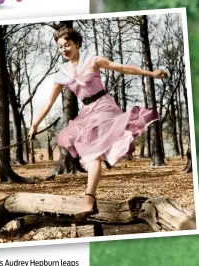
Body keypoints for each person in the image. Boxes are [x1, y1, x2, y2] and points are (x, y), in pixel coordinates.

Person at [28, 26, 167, 220]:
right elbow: (49, 103)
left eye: (67, 45)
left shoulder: (93, 61)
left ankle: (88, 198)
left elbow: (123, 68)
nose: (64, 50)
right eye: (60, 47)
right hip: (87, 113)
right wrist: (35, 125)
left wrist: (151, 73)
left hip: (104, 107)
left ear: (77, 44)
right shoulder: (62, 73)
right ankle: (91, 195)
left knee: (93, 153)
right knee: (78, 145)